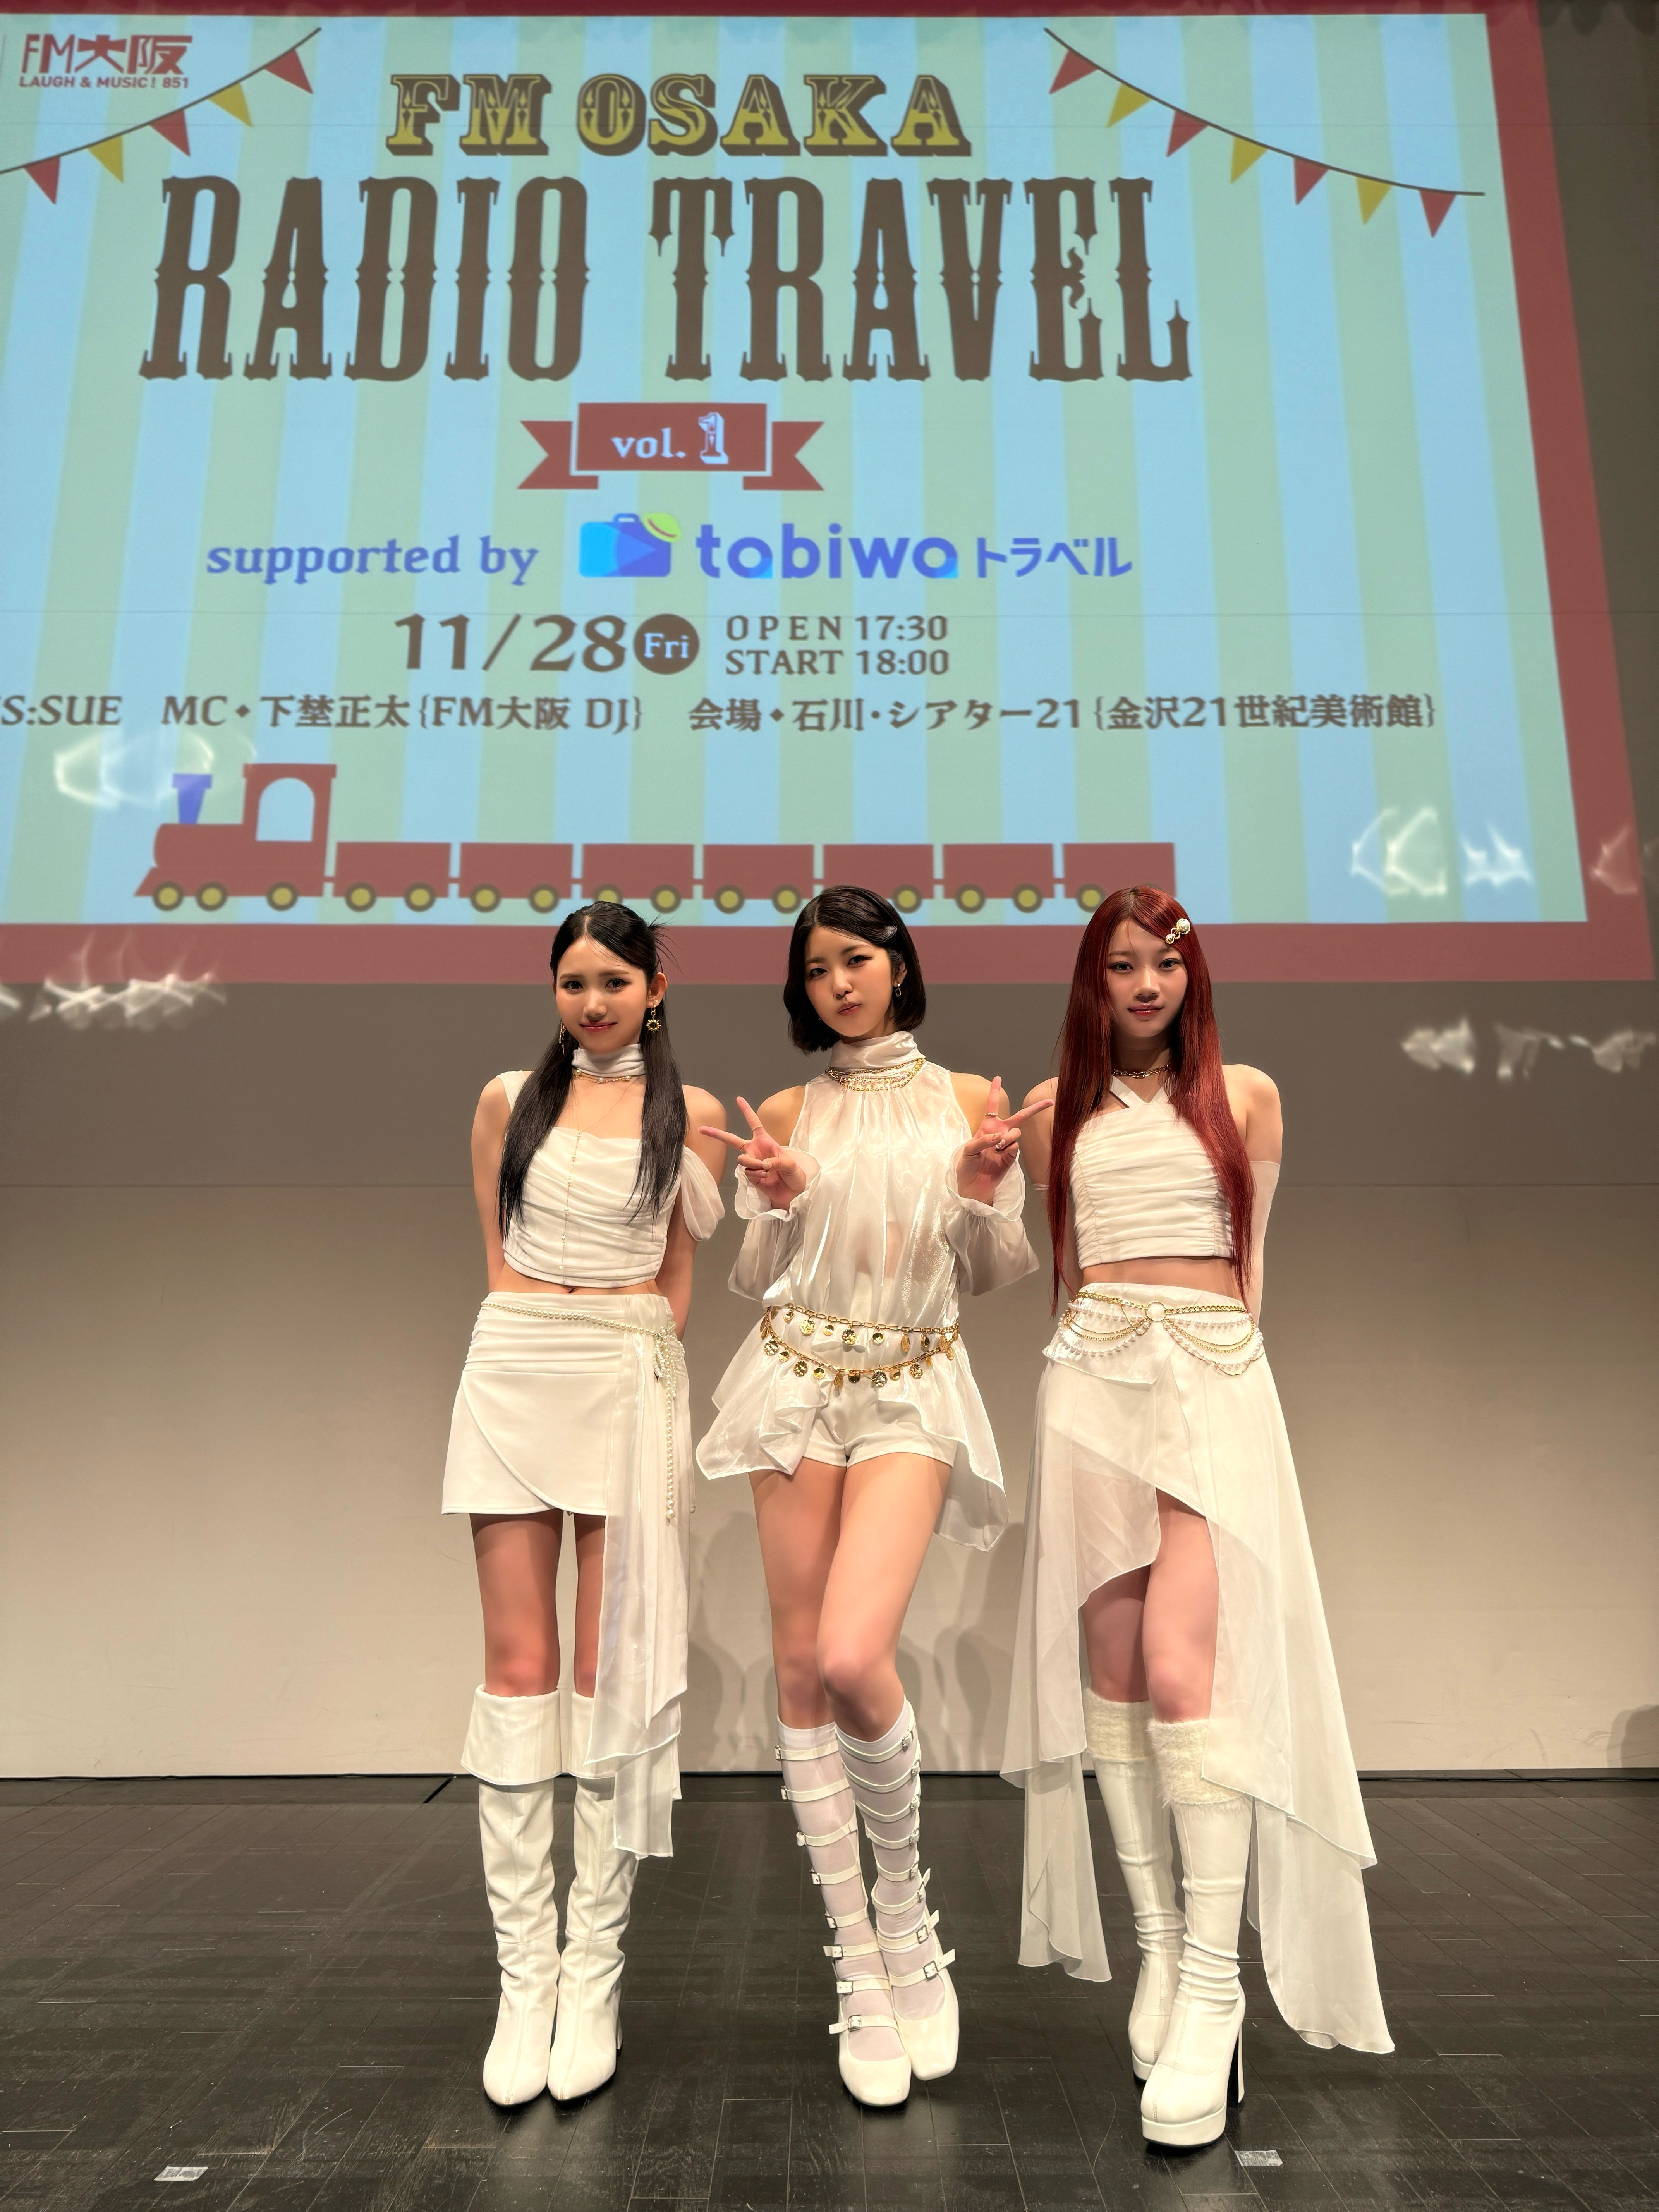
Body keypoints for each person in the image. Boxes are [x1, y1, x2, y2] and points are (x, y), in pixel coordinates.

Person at [1002, 884, 1390, 2150]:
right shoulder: (1054, 1108)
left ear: (1191, 975)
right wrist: (973, 1187)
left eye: (1164, 963)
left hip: (1209, 1372)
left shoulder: (1248, 1095)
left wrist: (1215, 1373)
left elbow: (1251, 1258)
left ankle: (1216, 1986)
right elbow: (1042, 1261)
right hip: (1091, 1375)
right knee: (1113, 1663)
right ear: (1093, 980)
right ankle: (1161, 1952)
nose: (1145, 985)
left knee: (1187, 1669)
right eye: (1122, 965)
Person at [697, 886, 1041, 2107]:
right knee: (801, 1672)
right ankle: (856, 1958)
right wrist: (780, 1202)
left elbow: (988, 1271)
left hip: (910, 1382)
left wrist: (984, 1181)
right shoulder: (789, 1111)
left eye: (856, 958)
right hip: (793, 1381)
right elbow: (756, 1274)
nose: (838, 983)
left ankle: (904, 1912)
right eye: (815, 968)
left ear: (899, 962)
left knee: (853, 1655)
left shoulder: (970, 1097)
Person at [440, 903, 726, 2107]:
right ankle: (526, 1985)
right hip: (515, 1361)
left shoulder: (691, 1112)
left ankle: (592, 1976)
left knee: (610, 1673)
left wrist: (637, 1354)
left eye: (614, 980)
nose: (593, 1002)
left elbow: (679, 1274)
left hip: (625, 1370)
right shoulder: (508, 1098)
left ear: (656, 988)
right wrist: (538, 1329)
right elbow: (497, 1252)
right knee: (518, 1669)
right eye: (573, 981)